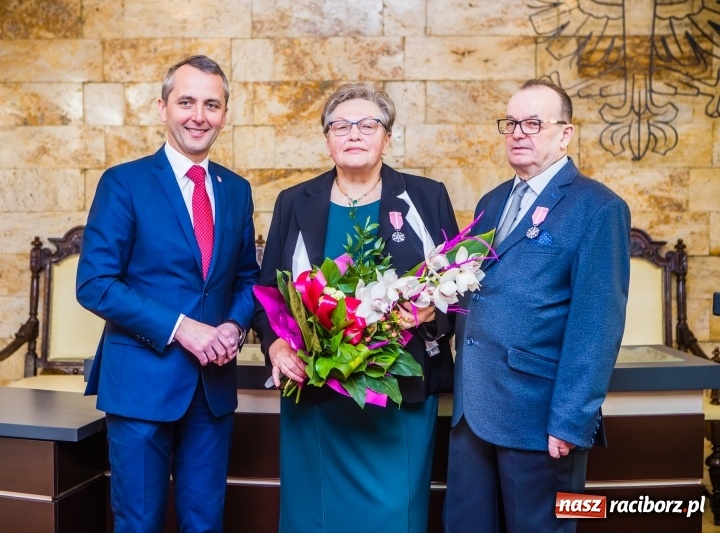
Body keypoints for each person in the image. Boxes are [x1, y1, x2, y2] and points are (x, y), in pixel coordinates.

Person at [252, 83, 459, 533]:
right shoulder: (294, 201)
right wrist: (275, 346)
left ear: (388, 137)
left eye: (368, 124)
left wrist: (429, 315)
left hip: (399, 394)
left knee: (394, 518)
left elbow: (457, 290)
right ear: (327, 139)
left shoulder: (425, 197)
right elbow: (267, 292)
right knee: (314, 518)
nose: (354, 134)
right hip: (315, 393)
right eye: (341, 126)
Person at [76, 55, 259, 532]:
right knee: (139, 523)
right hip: (140, 384)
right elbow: (95, 284)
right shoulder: (124, 183)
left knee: (205, 523)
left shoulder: (236, 190)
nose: (199, 116)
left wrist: (233, 325)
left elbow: (247, 278)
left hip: (212, 389)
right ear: (163, 108)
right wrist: (181, 328)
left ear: (224, 114)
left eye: (211, 105)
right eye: (186, 102)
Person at [444, 79, 631, 533]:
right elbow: (477, 291)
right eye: (511, 123)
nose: (518, 133)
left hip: (540, 420)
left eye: (533, 123)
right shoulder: (492, 202)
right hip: (473, 412)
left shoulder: (599, 208)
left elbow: (597, 326)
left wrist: (570, 422)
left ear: (565, 134)